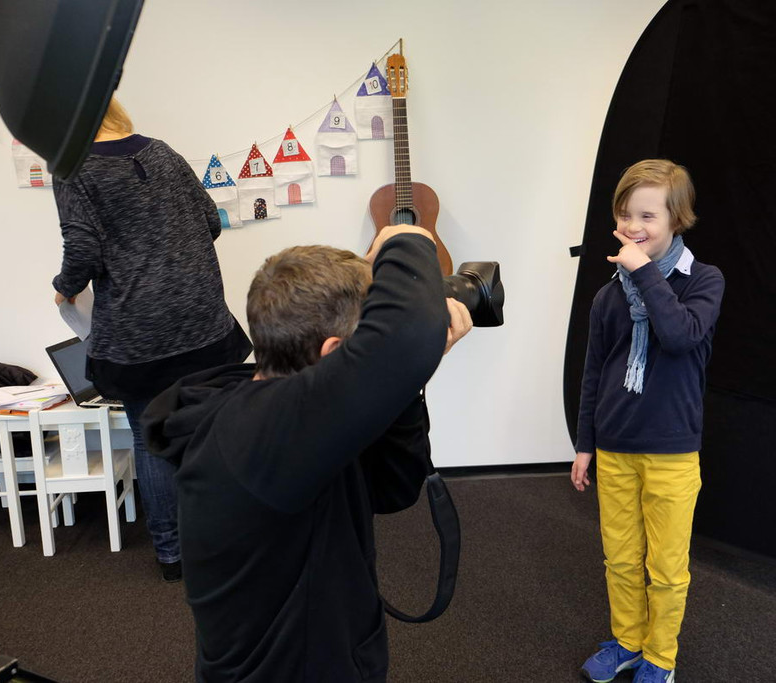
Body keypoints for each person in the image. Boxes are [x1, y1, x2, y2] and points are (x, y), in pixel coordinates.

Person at [140, 226, 472, 682]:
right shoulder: (254, 435)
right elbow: (407, 335)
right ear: (333, 353)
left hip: (334, 646)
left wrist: (400, 389)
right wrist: (409, 236)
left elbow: (391, 490)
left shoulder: (296, 416)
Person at [51, 98, 251, 582]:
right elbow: (210, 221)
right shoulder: (162, 151)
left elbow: (83, 249)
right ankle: (226, 541)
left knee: (151, 437)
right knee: (209, 429)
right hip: (203, 317)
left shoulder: (73, 169)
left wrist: (64, 287)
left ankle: (172, 554)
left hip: (139, 332)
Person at [570, 159, 725, 683]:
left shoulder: (703, 280)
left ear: (677, 220)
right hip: (614, 446)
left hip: (671, 452)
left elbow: (680, 335)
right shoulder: (607, 296)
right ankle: (628, 641)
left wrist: (642, 272)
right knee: (619, 558)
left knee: (666, 568)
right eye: (625, 214)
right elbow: (594, 372)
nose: (633, 226)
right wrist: (585, 443)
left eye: (648, 216)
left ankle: (660, 657)